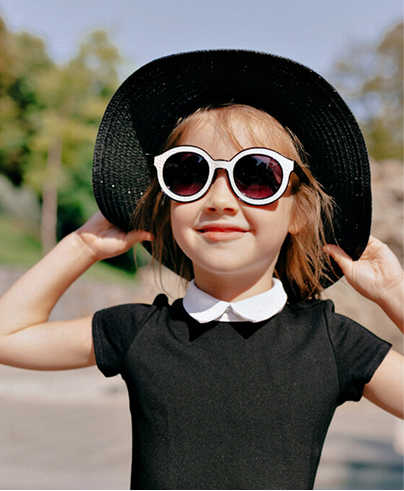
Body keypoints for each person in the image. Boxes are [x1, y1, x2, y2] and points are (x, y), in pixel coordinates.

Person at [1, 49, 404, 490]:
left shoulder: (330, 342)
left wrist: (394, 294)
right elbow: (8, 337)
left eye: (256, 175)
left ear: (299, 214)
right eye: (190, 173)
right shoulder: (138, 332)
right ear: (167, 204)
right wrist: (81, 246)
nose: (219, 200)